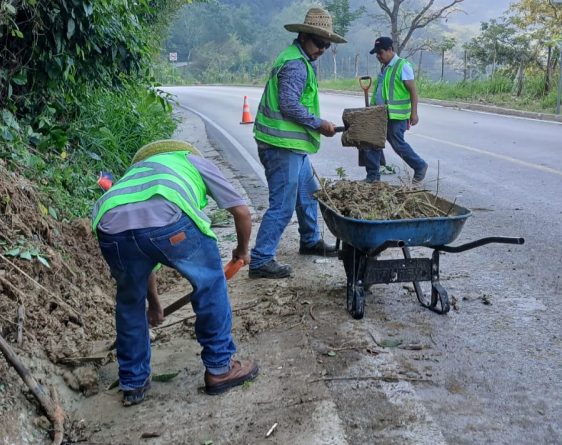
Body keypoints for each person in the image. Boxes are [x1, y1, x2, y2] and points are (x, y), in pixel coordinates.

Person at [91, 139, 258, 406]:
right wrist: (241, 251)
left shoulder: (132, 176)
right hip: (169, 221)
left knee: (129, 302)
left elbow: (145, 255)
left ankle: (133, 383)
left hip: (110, 229)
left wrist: (154, 306)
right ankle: (220, 368)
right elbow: (241, 211)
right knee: (210, 285)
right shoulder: (191, 159)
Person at [250, 7, 346, 279]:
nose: (323, 49)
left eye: (327, 45)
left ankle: (310, 241)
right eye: (320, 43)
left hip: (293, 147)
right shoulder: (295, 64)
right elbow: (289, 105)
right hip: (280, 146)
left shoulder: (301, 59)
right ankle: (260, 259)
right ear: (304, 36)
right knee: (282, 205)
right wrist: (319, 123)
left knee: (308, 195)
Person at [362, 36, 428, 184]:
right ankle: (372, 177)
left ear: (390, 50)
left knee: (397, 143)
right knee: (373, 142)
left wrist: (414, 113)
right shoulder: (385, 68)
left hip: (396, 116)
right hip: (379, 114)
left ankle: (419, 165)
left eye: (380, 53)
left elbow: (413, 91)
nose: (378, 56)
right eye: (377, 54)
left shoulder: (402, 66)